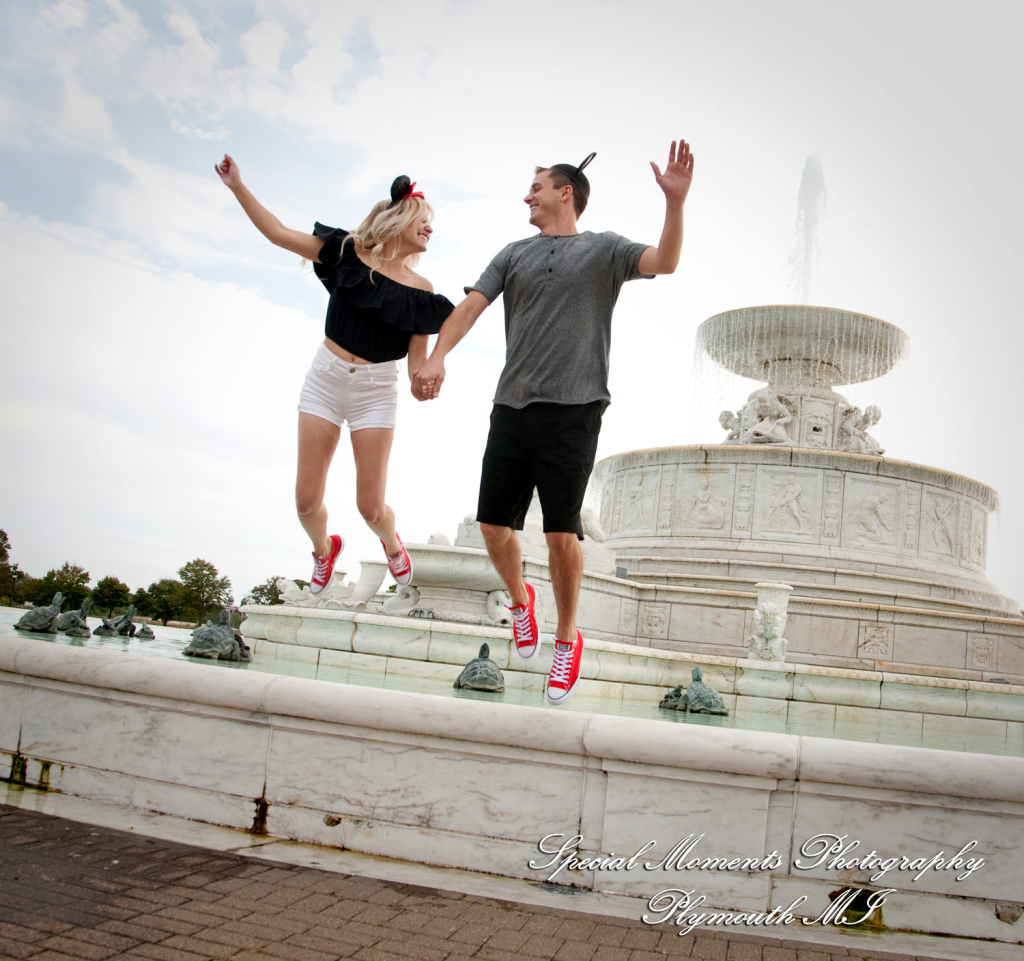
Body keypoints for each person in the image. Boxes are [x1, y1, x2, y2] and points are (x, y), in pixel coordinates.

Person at [413, 141, 694, 704]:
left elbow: (664, 262)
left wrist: (675, 204)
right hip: (512, 404)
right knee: (494, 525)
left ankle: (567, 639)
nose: (527, 196)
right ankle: (521, 603)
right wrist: (437, 355)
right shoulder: (513, 253)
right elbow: (469, 306)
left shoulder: (606, 250)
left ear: (566, 193)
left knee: (561, 530)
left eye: (536, 187)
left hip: (576, 406)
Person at [215, 155, 454, 594]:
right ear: (400, 219)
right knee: (306, 502)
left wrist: (425, 384)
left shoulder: (422, 293)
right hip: (325, 379)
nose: (430, 230)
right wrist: (237, 186)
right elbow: (277, 233)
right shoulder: (345, 252)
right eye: (424, 221)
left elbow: (415, 364)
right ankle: (324, 550)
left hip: (376, 391)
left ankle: (392, 547)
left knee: (372, 509)